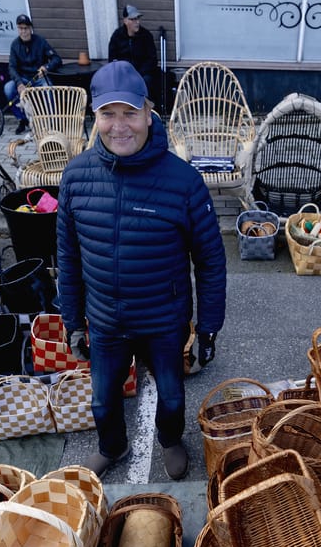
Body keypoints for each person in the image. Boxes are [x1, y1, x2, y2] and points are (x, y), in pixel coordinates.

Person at [56, 61, 226, 479]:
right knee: (102, 401)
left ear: (149, 114)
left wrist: (208, 327)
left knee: (171, 395)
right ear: (93, 117)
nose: (119, 126)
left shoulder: (182, 181)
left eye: (130, 113)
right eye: (107, 114)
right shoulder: (76, 177)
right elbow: (68, 257)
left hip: (162, 319)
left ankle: (170, 439)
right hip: (107, 320)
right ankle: (112, 446)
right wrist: (73, 322)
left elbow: (210, 261)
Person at [3, 14, 62, 134]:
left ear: (30, 28)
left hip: (39, 78)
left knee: (48, 89)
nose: (23, 31)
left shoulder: (40, 41)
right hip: (23, 79)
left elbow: (56, 59)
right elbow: (12, 67)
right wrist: (19, 83)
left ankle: (52, 123)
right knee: (8, 88)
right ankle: (23, 120)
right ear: (18, 29)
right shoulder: (15, 45)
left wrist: (46, 67)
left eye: (25, 28)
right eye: (20, 28)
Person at [108, 4, 159, 103]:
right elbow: (112, 60)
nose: (137, 22)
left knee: (147, 81)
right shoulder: (117, 36)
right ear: (125, 21)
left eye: (138, 19)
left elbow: (152, 60)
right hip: (124, 74)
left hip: (142, 73)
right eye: (133, 19)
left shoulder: (146, 35)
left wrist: (138, 74)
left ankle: (145, 110)